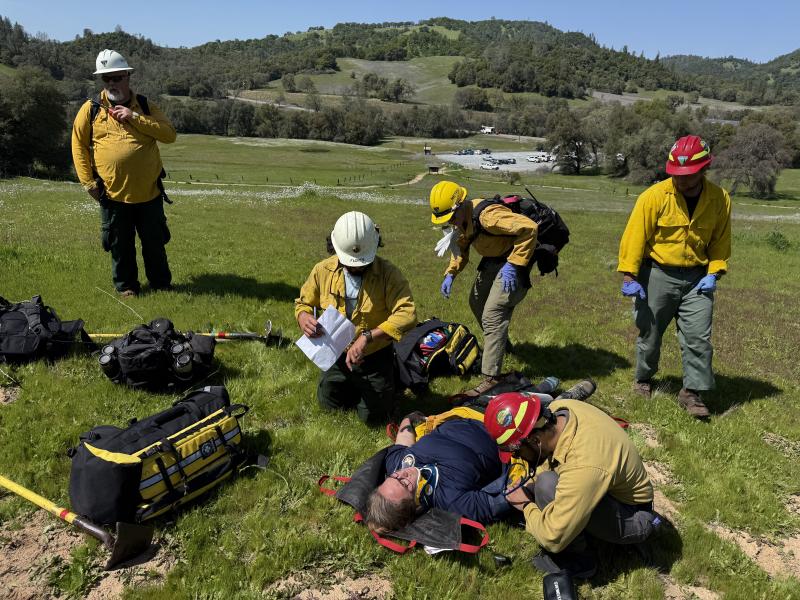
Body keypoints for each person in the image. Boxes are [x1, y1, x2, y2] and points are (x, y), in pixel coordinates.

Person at [485, 391, 660, 578]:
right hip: (606, 488)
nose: (516, 457)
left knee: (546, 486)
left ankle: (579, 562)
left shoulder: (584, 464)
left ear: (535, 440)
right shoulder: (558, 411)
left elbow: (553, 537)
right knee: (545, 482)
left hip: (634, 515)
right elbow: (549, 460)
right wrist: (531, 483)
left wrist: (526, 506)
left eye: (518, 452)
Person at [618, 135, 731, 418]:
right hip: (658, 273)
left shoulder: (719, 199)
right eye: (677, 175)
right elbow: (635, 237)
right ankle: (644, 379)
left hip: (698, 278)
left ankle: (692, 393)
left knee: (698, 337)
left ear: (704, 169)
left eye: (689, 175)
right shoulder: (654, 197)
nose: (682, 180)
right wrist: (630, 276)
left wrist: (715, 271)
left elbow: (719, 241)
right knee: (650, 331)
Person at [72, 49, 177, 298]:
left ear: (128, 76)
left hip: (149, 193)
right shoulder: (91, 110)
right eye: (106, 79)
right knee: (120, 246)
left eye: (117, 77)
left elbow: (169, 134)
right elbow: (78, 145)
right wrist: (88, 184)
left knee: (154, 243)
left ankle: (161, 285)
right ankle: (126, 287)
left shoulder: (144, 105)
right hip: (112, 195)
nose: (112, 83)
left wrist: (135, 117)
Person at [295, 211, 417, 424]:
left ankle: (389, 376)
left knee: (373, 418)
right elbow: (303, 303)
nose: (356, 266)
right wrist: (303, 317)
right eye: (350, 262)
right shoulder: (322, 270)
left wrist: (367, 337)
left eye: (362, 262)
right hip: (336, 353)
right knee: (328, 405)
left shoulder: (389, 274)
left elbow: (408, 313)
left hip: (374, 356)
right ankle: (354, 384)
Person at [429, 180, 538, 396]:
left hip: (512, 261)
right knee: (477, 302)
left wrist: (514, 264)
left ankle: (491, 378)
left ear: (460, 205)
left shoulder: (489, 216)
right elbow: (460, 247)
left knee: (493, 313)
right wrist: (451, 273)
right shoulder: (462, 221)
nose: (449, 222)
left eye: (450, 216)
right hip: (493, 260)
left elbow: (529, 228)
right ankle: (500, 345)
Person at [365, 413, 512, 533]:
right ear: (416, 505)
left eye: (394, 476)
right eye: (404, 483)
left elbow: (402, 441)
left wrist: (407, 418)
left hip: (466, 414)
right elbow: (506, 498)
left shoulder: (396, 464)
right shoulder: (452, 500)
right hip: (504, 432)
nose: (402, 473)